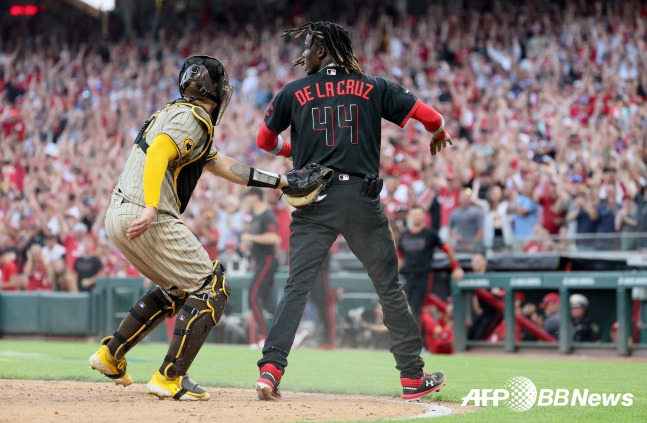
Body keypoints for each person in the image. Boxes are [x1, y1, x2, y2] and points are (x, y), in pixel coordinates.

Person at [253, 21, 451, 402]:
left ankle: (271, 368)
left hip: (312, 201)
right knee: (389, 288)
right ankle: (412, 377)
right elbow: (431, 117)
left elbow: (264, 141)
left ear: (324, 51)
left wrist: (295, 151)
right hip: (361, 198)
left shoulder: (293, 91)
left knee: (297, 285)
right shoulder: (373, 85)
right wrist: (440, 132)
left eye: (309, 47)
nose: (303, 55)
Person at [88, 55, 288, 401]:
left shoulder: (174, 113)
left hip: (119, 214)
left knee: (177, 289)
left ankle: (110, 354)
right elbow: (159, 153)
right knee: (214, 286)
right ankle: (169, 377)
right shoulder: (195, 117)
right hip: (147, 213)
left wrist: (279, 181)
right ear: (216, 91)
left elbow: (223, 165)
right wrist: (152, 206)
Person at [397, 204, 463, 325]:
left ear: (423, 216)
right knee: (405, 308)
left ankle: (416, 341)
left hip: (423, 276)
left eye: (418, 214)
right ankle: (408, 340)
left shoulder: (430, 234)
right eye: (414, 214)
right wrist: (394, 276)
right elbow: (400, 257)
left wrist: (456, 267)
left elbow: (447, 249)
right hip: (408, 277)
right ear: (410, 216)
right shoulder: (404, 236)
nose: (416, 217)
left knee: (415, 307)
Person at [240, 187, 280, 345]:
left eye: (248, 196)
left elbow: (272, 238)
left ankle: (264, 336)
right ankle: (290, 331)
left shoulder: (267, 215)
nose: (246, 200)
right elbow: (258, 241)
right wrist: (248, 246)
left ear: (255, 196)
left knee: (253, 297)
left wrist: (249, 237)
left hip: (268, 260)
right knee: (267, 301)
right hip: (261, 260)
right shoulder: (255, 217)